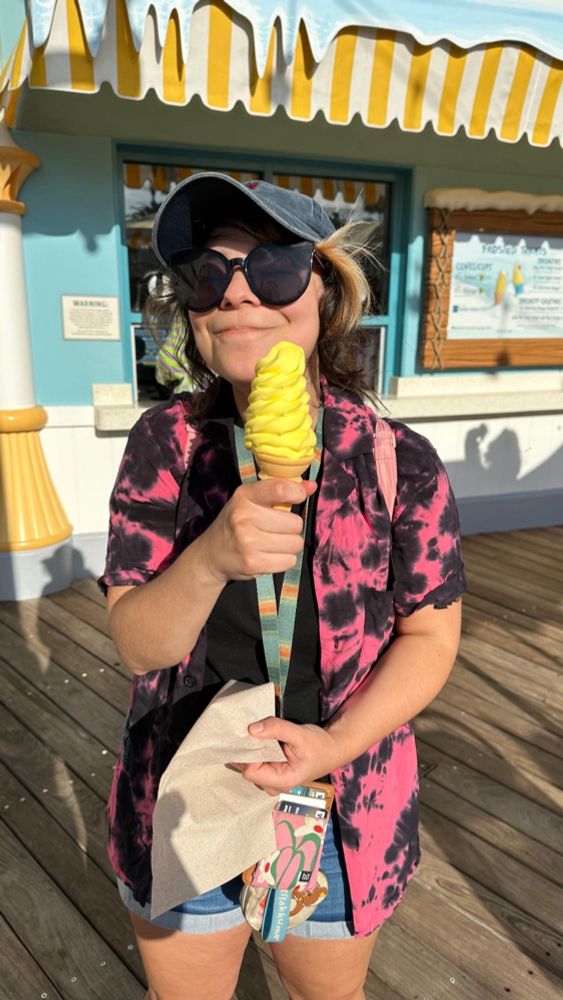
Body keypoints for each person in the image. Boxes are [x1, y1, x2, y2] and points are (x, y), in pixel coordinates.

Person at [100, 173, 466, 1000]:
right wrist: (211, 558)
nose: (237, 296)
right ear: (190, 310)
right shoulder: (165, 445)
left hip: (337, 807)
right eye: (207, 275)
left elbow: (431, 635)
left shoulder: (396, 459)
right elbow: (137, 643)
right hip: (188, 787)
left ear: (324, 294)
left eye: (272, 269)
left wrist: (334, 746)